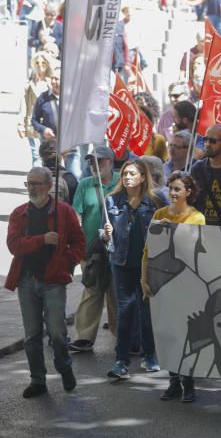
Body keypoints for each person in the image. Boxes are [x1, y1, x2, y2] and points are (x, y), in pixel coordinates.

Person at [5, 167, 85, 398]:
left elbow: (79, 244)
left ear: (49, 186)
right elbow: (14, 245)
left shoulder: (64, 212)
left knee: (58, 332)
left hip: (53, 280)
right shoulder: (19, 213)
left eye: (37, 183)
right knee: (31, 335)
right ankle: (38, 380)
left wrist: (65, 262)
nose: (32, 188)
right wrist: (42, 240)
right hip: (27, 280)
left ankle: (64, 366)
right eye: (29, 183)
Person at [143, 171, 205, 402]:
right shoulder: (159, 214)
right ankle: (173, 382)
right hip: (162, 281)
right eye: (171, 188)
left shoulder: (197, 217)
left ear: (188, 192)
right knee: (167, 332)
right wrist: (144, 279)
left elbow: (190, 246)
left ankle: (188, 383)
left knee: (185, 334)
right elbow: (148, 249)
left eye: (178, 189)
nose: (173, 193)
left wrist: (171, 229)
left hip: (187, 282)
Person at [104, 160, 163, 381]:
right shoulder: (112, 200)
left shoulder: (156, 201)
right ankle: (121, 360)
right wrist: (105, 234)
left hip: (147, 263)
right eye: (125, 174)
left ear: (143, 177)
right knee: (125, 310)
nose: (127, 177)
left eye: (132, 173)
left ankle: (150, 356)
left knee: (147, 310)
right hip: (121, 262)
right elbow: (105, 235)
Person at [68, 147, 119, 354]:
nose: (94, 165)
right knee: (92, 291)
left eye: (100, 161)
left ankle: (122, 335)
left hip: (118, 249)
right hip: (92, 250)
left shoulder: (121, 182)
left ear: (110, 162)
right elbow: (76, 216)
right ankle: (84, 338)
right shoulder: (85, 184)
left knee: (117, 293)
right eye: (91, 162)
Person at [18, 52, 55, 167]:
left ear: (48, 64)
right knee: (36, 154)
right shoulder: (29, 84)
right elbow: (23, 104)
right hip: (31, 122)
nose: (40, 65)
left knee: (47, 154)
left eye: (43, 62)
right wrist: (20, 124)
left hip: (47, 125)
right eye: (37, 62)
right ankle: (37, 180)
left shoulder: (53, 83)